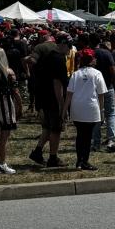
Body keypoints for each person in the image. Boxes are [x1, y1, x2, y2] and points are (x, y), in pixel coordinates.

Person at [28, 33, 70, 168]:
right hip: (53, 99)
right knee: (56, 129)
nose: (70, 50)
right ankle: (53, 157)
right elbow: (58, 83)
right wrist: (62, 105)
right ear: (63, 44)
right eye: (69, 46)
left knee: (47, 127)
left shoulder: (48, 56)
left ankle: (38, 152)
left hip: (43, 96)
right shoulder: (59, 59)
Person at [63, 49, 107, 171]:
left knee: (80, 135)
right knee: (87, 137)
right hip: (91, 108)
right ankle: (84, 161)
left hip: (77, 108)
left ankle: (79, 160)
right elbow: (101, 94)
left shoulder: (76, 74)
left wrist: (65, 110)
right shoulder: (97, 73)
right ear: (91, 60)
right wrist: (102, 110)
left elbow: (69, 94)